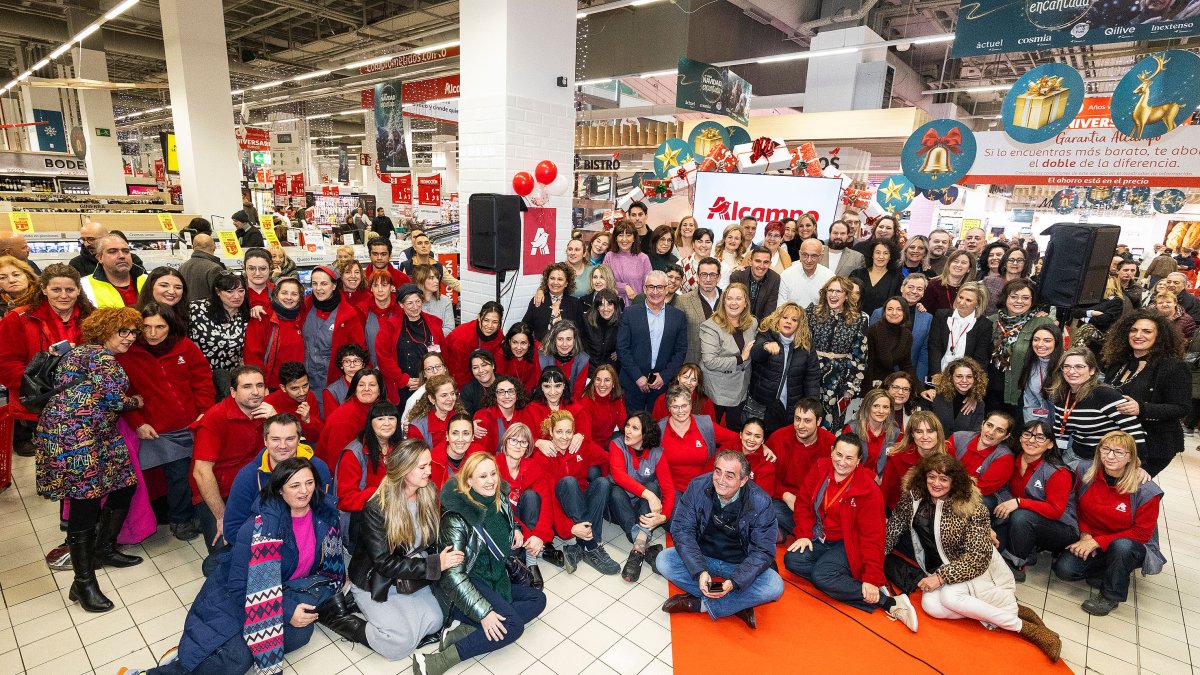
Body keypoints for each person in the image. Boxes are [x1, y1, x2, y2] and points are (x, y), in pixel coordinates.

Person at [127, 458, 346, 675]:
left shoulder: (324, 516)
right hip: (237, 594)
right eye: (295, 485)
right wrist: (287, 610)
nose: (304, 491)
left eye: (309, 483)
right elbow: (241, 588)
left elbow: (328, 569)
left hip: (281, 591)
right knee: (235, 660)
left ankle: (217, 651)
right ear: (280, 490)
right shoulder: (259, 528)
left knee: (301, 634)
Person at [884, 453, 1062, 661]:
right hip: (939, 570)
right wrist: (875, 558)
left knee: (950, 598)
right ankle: (1010, 609)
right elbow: (894, 528)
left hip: (976, 569)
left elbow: (978, 557)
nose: (936, 483)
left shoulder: (971, 506)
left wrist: (941, 578)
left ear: (954, 481)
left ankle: (1025, 628)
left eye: (943, 479)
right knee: (931, 606)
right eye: (931, 476)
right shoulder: (913, 497)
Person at [36, 307, 145, 612]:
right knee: (84, 503)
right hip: (74, 438)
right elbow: (115, 400)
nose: (130, 337)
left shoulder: (79, 353)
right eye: (122, 331)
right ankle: (84, 582)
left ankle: (104, 549)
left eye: (133, 332)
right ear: (103, 330)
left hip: (96, 433)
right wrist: (136, 400)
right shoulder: (99, 356)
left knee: (124, 485)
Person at [420, 453, 548, 675]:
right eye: (482, 476)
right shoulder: (456, 518)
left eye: (493, 474)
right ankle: (438, 662)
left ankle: (465, 631)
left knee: (538, 598)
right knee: (513, 625)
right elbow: (454, 577)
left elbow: (501, 524)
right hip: (466, 585)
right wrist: (484, 612)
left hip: (494, 576)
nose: (490, 480)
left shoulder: (500, 499)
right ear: (469, 481)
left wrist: (515, 527)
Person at [783, 434, 918, 630]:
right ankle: (840, 579)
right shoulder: (820, 468)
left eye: (849, 458)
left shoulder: (869, 491)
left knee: (822, 576)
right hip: (820, 535)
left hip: (848, 543)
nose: (842, 462)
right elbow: (803, 502)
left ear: (858, 461)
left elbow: (874, 538)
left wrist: (872, 578)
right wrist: (803, 533)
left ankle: (888, 601)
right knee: (792, 560)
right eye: (838, 455)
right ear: (831, 452)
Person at [119, 302, 215, 541]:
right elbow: (123, 394)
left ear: (170, 326)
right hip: (158, 431)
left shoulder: (185, 347)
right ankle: (180, 520)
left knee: (197, 472)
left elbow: (202, 381)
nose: (152, 333)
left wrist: (206, 412)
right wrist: (138, 422)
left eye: (159, 326)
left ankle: (196, 514)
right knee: (178, 475)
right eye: (147, 327)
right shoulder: (128, 354)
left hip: (192, 424)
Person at [658, 450, 784, 628]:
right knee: (664, 561)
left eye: (730, 476)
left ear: (744, 480)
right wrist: (700, 570)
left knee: (774, 586)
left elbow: (763, 551)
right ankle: (738, 604)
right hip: (703, 557)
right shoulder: (698, 486)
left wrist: (735, 582)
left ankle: (700, 604)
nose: (720, 480)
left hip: (739, 563)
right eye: (718, 471)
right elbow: (681, 529)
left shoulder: (761, 502)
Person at [1054, 431, 1166, 617]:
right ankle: (1107, 569)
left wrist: (1098, 542)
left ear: (1131, 457)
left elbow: (1142, 534)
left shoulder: (1146, 490)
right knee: (1064, 571)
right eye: (1105, 449)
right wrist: (1085, 534)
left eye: (1119, 452)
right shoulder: (1085, 471)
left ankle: (1110, 595)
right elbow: (1076, 506)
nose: (1110, 456)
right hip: (1091, 536)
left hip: (1129, 543)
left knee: (1121, 547)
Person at [0, 264, 95, 458]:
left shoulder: (92, 318)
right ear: (43, 289)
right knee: (55, 462)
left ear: (78, 290)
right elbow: (6, 364)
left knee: (86, 459)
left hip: (86, 404)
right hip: (41, 407)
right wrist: (43, 386)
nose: (63, 295)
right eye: (56, 289)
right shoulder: (18, 318)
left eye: (69, 289)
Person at [190, 366, 277, 570]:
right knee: (223, 555)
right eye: (247, 386)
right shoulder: (215, 419)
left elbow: (292, 450)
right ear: (233, 392)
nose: (255, 392)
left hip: (257, 487)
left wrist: (276, 419)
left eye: (260, 385)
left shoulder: (268, 412)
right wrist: (222, 516)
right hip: (220, 493)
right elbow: (201, 472)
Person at [1101, 309, 1190, 476]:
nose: (1138, 335)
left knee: (1130, 490)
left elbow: (1182, 407)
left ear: (1160, 336)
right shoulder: (1118, 362)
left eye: (1147, 331)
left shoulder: (1173, 366)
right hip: (1117, 442)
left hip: (1153, 447)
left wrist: (1142, 408)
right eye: (1134, 330)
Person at [990, 420, 1074, 582]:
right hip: (1022, 519)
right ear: (1020, 438)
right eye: (1027, 434)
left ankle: (1016, 564)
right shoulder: (1011, 459)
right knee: (994, 547)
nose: (1032, 440)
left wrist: (1019, 502)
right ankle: (1028, 549)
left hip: (1062, 527)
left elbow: (1056, 511)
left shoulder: (1058, 472)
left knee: (1022, 516)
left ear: (1050, 444)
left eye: (1040, 437)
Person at [540, 410, 620, 574]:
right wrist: (569, 527)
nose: (564, 437)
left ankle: (580, 545)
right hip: (559, 510)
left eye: (569, 431)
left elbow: (609, 459)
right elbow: (548, 500)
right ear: (551, 432)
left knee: (602, 483)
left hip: (580, 504)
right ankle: (591, 546)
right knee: (569, 482)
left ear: (574, 432)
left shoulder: (581, 447)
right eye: (559, 431)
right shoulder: (543, 456)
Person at [1050, 346, 1147, 462]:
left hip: (1103, 460)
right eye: (1067, 366)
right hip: (1075, 453)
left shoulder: (1105, 394)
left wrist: (1139, 465)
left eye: (1079, 367)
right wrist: (1055, 458)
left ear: (1092, 371)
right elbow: (1060, 432)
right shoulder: (1061, 395)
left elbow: (1134, 430)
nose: (1071, 371)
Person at [608, 411, 673, 582]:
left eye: (634, 428)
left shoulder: (657, 453)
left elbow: (668, 489)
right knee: (615, 490)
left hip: (641, 510)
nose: (627, 431)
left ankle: (638, 549)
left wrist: (663, 516)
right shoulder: (617, 444)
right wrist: (650, 495)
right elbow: (618, 476)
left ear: (645, 434)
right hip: (619, 507)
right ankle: (647, 547)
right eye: (627, 426)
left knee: (653, 485)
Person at [492, 422, 557, 587]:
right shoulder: (493, 466)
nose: (517, 445)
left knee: (531, 496)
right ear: (505, 442)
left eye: (523, 442)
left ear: (528, 446)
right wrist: (519, 529)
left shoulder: (534, 467)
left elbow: (546, 504)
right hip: (502, 522)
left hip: (525, 524)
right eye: (513, 440)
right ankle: (529, 552)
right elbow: (494, 507)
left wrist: (539, 535)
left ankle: (531, 560)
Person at [617, 270, 688, 413]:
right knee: (634, 425)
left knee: (657, 428)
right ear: (644, 289)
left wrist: (664, 376)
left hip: (662, 385)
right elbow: (622, 348)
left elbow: (680, 351)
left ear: (667, 288)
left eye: (660, 287)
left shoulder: (678, 317)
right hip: (633, 383)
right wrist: (638, 377)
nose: (655, 292)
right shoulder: (630, 313)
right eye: (651, 287)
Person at [747, 302, 821, 436]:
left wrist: (812, 405)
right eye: (785, 317)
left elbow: (812, 377)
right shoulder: (766, 334)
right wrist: (765, 347)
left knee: (783, 444)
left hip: (791, 407)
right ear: (778, 318)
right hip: (763, 404)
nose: (788, 322)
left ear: (800, 324)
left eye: (794, 320)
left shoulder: (806, 344)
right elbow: (755, 354)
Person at [336, 402, 402, 549]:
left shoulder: (400, 448)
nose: (386, 423)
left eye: (391, 418)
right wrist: (379, 493)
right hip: (364, 522)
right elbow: (345, 500)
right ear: (370, 423)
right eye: (380, 419)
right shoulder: (354, 453)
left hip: (397, 516)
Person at [658, 385, 741, 499]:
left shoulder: (705, 425)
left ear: (691, 405)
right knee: (678, 516)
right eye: (675, 407)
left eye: (684, 405)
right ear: (669, 408)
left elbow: (736, 438)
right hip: (672, 489)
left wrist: (762, 446)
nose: (681, 411)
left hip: (704, 486)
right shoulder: (659, 430)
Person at [766, 399, 834, 538]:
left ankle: (781, 530)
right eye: (797, 419)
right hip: (784, 500)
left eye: (807, 421)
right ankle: (815, 536)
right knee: (768, 506)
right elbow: (767, 476)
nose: (800, 425)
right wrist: (785, 495)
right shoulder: (778, 437)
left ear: (819, 421)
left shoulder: (830, 443)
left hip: (815, 502)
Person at [988, 279, 1054, 418]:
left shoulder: (1042, 322)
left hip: (1022, 395)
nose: (1019, 301)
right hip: (990, 392)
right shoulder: (991, 321)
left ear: (1032, 300)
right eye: (1014, 296)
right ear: (1005, 298)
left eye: (1025, 298)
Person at [808, 276, 868, 430]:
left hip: (839, 379)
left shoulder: (859, 319)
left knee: (833, 425)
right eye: (831, 290)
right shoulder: (812, 313)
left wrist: (850, 387)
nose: (833, 295)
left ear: (847, 295)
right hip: (810, 374)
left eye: (839, 291)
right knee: (808, 417)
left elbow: (859, 356)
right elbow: (802, 344)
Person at [697, 282, 757, 430]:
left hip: (741, 387)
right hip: (718, 388)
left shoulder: (753, 323)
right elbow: (710, 361)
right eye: (729, 298)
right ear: (723, 302)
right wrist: (740, 358)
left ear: (745, 303)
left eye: (738, 298)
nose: (734, 303)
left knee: (735, 429)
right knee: (713, 431)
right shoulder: (710, 326)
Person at [378, 283, 444, 408]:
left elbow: (443, 354)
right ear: (401, 305)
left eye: (418, 301)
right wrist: (403, 380)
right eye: (409, 303)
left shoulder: (434, 323)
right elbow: (383, 357)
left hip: (431, 383)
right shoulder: (390, 326)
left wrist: (427, 380)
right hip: (403, 387)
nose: (415, 307)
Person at [188, 271, 248, 397]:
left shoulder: (247, 316)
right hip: (197, 379)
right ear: (218, 292)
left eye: (241, 290)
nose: (237, 296)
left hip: (228, 384)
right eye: (230, 291)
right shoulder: (196, 309)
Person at [243, 277, 305, 390]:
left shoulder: (302, 316)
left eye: (294, 294)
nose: (289, 298)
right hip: (271, 386)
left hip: (298, 386)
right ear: (276, 294)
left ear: (300, 297)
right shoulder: (262, 316)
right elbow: (252, 356)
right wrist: (260, 385)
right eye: (284, 293)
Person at [878, 411, 949, 510]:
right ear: (912, 434)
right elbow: (883, 493)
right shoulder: (897, 458)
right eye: (919, 432)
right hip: (900, 514)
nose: (925, 437)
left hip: (935, 514)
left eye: (930, 431)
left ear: (938, 433)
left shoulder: (948, 457)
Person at [316, 368, 384, 469]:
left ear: (379, 390)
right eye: (361, 385)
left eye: (372, 385)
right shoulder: (344, 419)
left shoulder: (382, 407)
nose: (366, 389)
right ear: (354, 389)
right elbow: (337, 461)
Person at [872, 273, 933, 383]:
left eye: (919, 289)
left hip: (908, 378)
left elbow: (924, 354)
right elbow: (870, 350)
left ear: (923, 293)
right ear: (902, 288)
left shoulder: (927, 318)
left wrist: (917, 383)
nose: (914, 291)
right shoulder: (879, 313)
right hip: (879, 378)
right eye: (910, 287)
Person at [927, 281, 992, 380]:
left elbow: (980, 358)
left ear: (978, 304)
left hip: (965, 380)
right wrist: (936, 375)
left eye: (968, 300)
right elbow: (934, 347)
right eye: (960, 297)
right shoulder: (941, 315)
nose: (961, 303)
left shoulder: (984, 325)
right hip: (939, 375)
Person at [674, 256, 723, 363]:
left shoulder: (728, 301)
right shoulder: (682, 301)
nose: (708, 279)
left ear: (719, 277)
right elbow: (676, 339)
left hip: (722, 365)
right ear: (697, 277)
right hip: (693, 365)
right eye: (704, 274)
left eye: (713, 275)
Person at [443, 301, 505, 387]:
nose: (490, 326)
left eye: (494, 322)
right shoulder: (462, 338)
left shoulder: (499, 335)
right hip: (455, 375)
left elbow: (496, 363)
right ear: (479, 317)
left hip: (480, 376)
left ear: (499, 324)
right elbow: (458, 373)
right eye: (486, 320)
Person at [844, 388, 901, 476]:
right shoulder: (852, 429)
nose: (881, 411)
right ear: (867, 407)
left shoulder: (895, 432)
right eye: (876, 406)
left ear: (890, 410)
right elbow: (845, 461)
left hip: (881, 482)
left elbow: (893, 464)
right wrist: (872, 476)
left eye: (885, 407)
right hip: (854, 478)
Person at [472, 375, 535, 453]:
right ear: (495, 396)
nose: (507, 396)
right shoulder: (483, 416)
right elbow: (481, 452)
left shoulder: (526, 415)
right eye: (501, 392)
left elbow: (531, 443)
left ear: (517, 394)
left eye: (511, 391)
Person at [264, 361, 325, 443]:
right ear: (283, 388)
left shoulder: (310, 396)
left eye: (305, 385)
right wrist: (276, 419)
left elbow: (317, 438)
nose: (302, 392)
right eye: (295, 388)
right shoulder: (268, 403)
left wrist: (308, 420)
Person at [523, 262, 584, 341]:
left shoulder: (575, 303)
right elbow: (525, 327)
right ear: (547, 281)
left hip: (568, 349)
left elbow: (581, 331)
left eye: (560, 279)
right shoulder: (538, 300)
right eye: (552, 278)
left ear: (566, 283)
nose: (555, 282)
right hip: (542, 349)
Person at [82, 233, 146, 307]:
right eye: (113, 251)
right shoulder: (85, 287)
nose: (122, 256)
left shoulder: (148, 280)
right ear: (100, 258)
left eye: (126, 251)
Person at [1015, 324, 1062, 425]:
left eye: (1047, 340)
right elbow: (1030, 401)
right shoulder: (1031, 363)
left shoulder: (1066, 366)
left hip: (1063, 425)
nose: (1040, 344)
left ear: (1057, 343)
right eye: (1036, 339)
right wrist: (1033, 428)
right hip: (1039, 422)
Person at [928, 357, 988, 436]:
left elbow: (975, 434)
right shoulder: (935, 396)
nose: (964, 380)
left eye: (969, 377)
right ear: (951, 377)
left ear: (975, 379)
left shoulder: (979, 403)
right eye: (959, 376)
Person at [865, 296, 914, 389]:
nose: (894, 313)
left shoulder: (907, 335)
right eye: (890, 309)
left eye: (899, 309)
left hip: (889, 383)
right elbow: (868, 363)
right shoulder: (873, 331)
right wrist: (870, 388)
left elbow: (907, 365)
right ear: (884, 312)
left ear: (905, 312)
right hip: (870, 383)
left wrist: (920, 389)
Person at [406, 373, 466, 448]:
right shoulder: (418, 427)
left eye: (452, 393)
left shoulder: (461, 418)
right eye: (444, 395)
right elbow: (415, 457)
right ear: (432, 399)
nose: (450, 399)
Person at [604, 220, 653, 306]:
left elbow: (649, 285)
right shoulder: (609, 256)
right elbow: (604, 281)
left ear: (634, 238)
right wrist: (624, 287)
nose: (624, 239)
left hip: (637, 306)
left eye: (628, 235)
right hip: (612, 307)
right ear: (615, 238)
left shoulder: (643, 258)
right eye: (620, 235)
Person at [849, 239, 901, 317]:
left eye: (886, 253)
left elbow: (899, 303)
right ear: (872, 255)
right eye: (877, 252)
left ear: (890, 256)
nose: (881, 256)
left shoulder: (896, 278)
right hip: (856, 320)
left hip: (882, 323)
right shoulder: (857, 274)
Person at [361, 268, 402, 367]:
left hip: (399, 369)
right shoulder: (362, 311)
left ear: (392, 287)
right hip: (372, 371)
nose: (380, 290)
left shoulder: (401, 310)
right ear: (371, 289)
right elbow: (360, 346)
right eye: (375, 285)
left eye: (384, 285)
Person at [778, 238, 833, 310]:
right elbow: (781, 307)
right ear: (799, 254)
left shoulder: (829, 277)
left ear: (821, 257)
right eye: (805, 255)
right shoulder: (786, 275)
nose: (809, 260)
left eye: (814, 256)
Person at [730, 246, 780, 322]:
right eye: (758, 261)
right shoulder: (737, 277)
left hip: (762, 324)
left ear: (770, 263)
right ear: (750, 261)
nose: (761, 266)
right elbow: (734, 307)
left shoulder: (774, 278)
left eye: (766, 262)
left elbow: (770, 310)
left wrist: (761, 330)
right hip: (738, 322)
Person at [431, 413, 483, 486]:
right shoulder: (433, 460)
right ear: (447, 436)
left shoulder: (479, 454)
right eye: (455, 433)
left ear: (473, 437)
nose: (460, 439)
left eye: (466, 433)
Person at [650, 362, 716, 420]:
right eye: (686, 377)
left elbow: (710, 426)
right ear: (678, 377)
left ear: (697, 383)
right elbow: (656, 426)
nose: (688, 382)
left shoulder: (705, 402)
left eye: (694, 380)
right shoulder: (662, 400)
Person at [582, 364, 625, 448]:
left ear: (613, 383)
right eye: (598, 380)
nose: (602, 384)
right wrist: (608, 457)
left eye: (607, 380)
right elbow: (586, 441)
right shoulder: (586, 403)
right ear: (594, 382)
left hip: (607, 442)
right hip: (590, 448)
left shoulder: (616, 399)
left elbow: (623, 425)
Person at [922, 250, 976, 314]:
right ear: (949, 264)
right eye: (955, 261)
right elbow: (924, 311)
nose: (958, 265)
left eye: (963, 263)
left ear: (969, 269)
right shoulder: (933, 285)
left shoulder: (972, 289)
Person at [581, 288, 622, 374]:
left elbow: (630, 343)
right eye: (601, 305)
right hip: (588, 367)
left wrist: (620, 351)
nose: (605, 309)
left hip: (612, 368)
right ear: (597, 307)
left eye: (609, 304)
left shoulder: (622, 322)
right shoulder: (586, 320)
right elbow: (582, 346)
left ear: (615, 306)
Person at [137, 266, 189, 332]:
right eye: (164, 286)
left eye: (178, 287)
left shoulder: (191, 315)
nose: (171, 291)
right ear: (150, 287)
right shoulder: (134, 316)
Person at [322, 343, 370, 415]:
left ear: (363, 365)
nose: (352, 366)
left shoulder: (372, 385)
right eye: (347, 361)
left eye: (356, 361)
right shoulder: (331, 392)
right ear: (341, 365)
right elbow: (332, 422)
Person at [178, 234, 226, 305]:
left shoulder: (182, 267)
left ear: (193, 247)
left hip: (186, 311)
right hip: (208, 312)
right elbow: (222, 296)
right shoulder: (215, 268)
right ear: (214, 247)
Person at [461, 349, 499, 417]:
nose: (480, 370)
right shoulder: (467, 391)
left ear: (493, 365)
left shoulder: (507, 383)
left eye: (484, 365)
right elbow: (466, 418)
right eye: (475, 367)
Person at [678, 226, 714, 294]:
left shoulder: (721, 265)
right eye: (700, 241)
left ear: (712, 244)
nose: (703, 245)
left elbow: (723, 291)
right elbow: (676, 289)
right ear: (693, 244)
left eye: (708, 242)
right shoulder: (681, 263)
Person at [715, 224, 747, 288]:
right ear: (724, 239)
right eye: (730, 237)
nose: (733, 241)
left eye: (737, 238)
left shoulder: (742, 260)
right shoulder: (714, 255)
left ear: (741, 241)